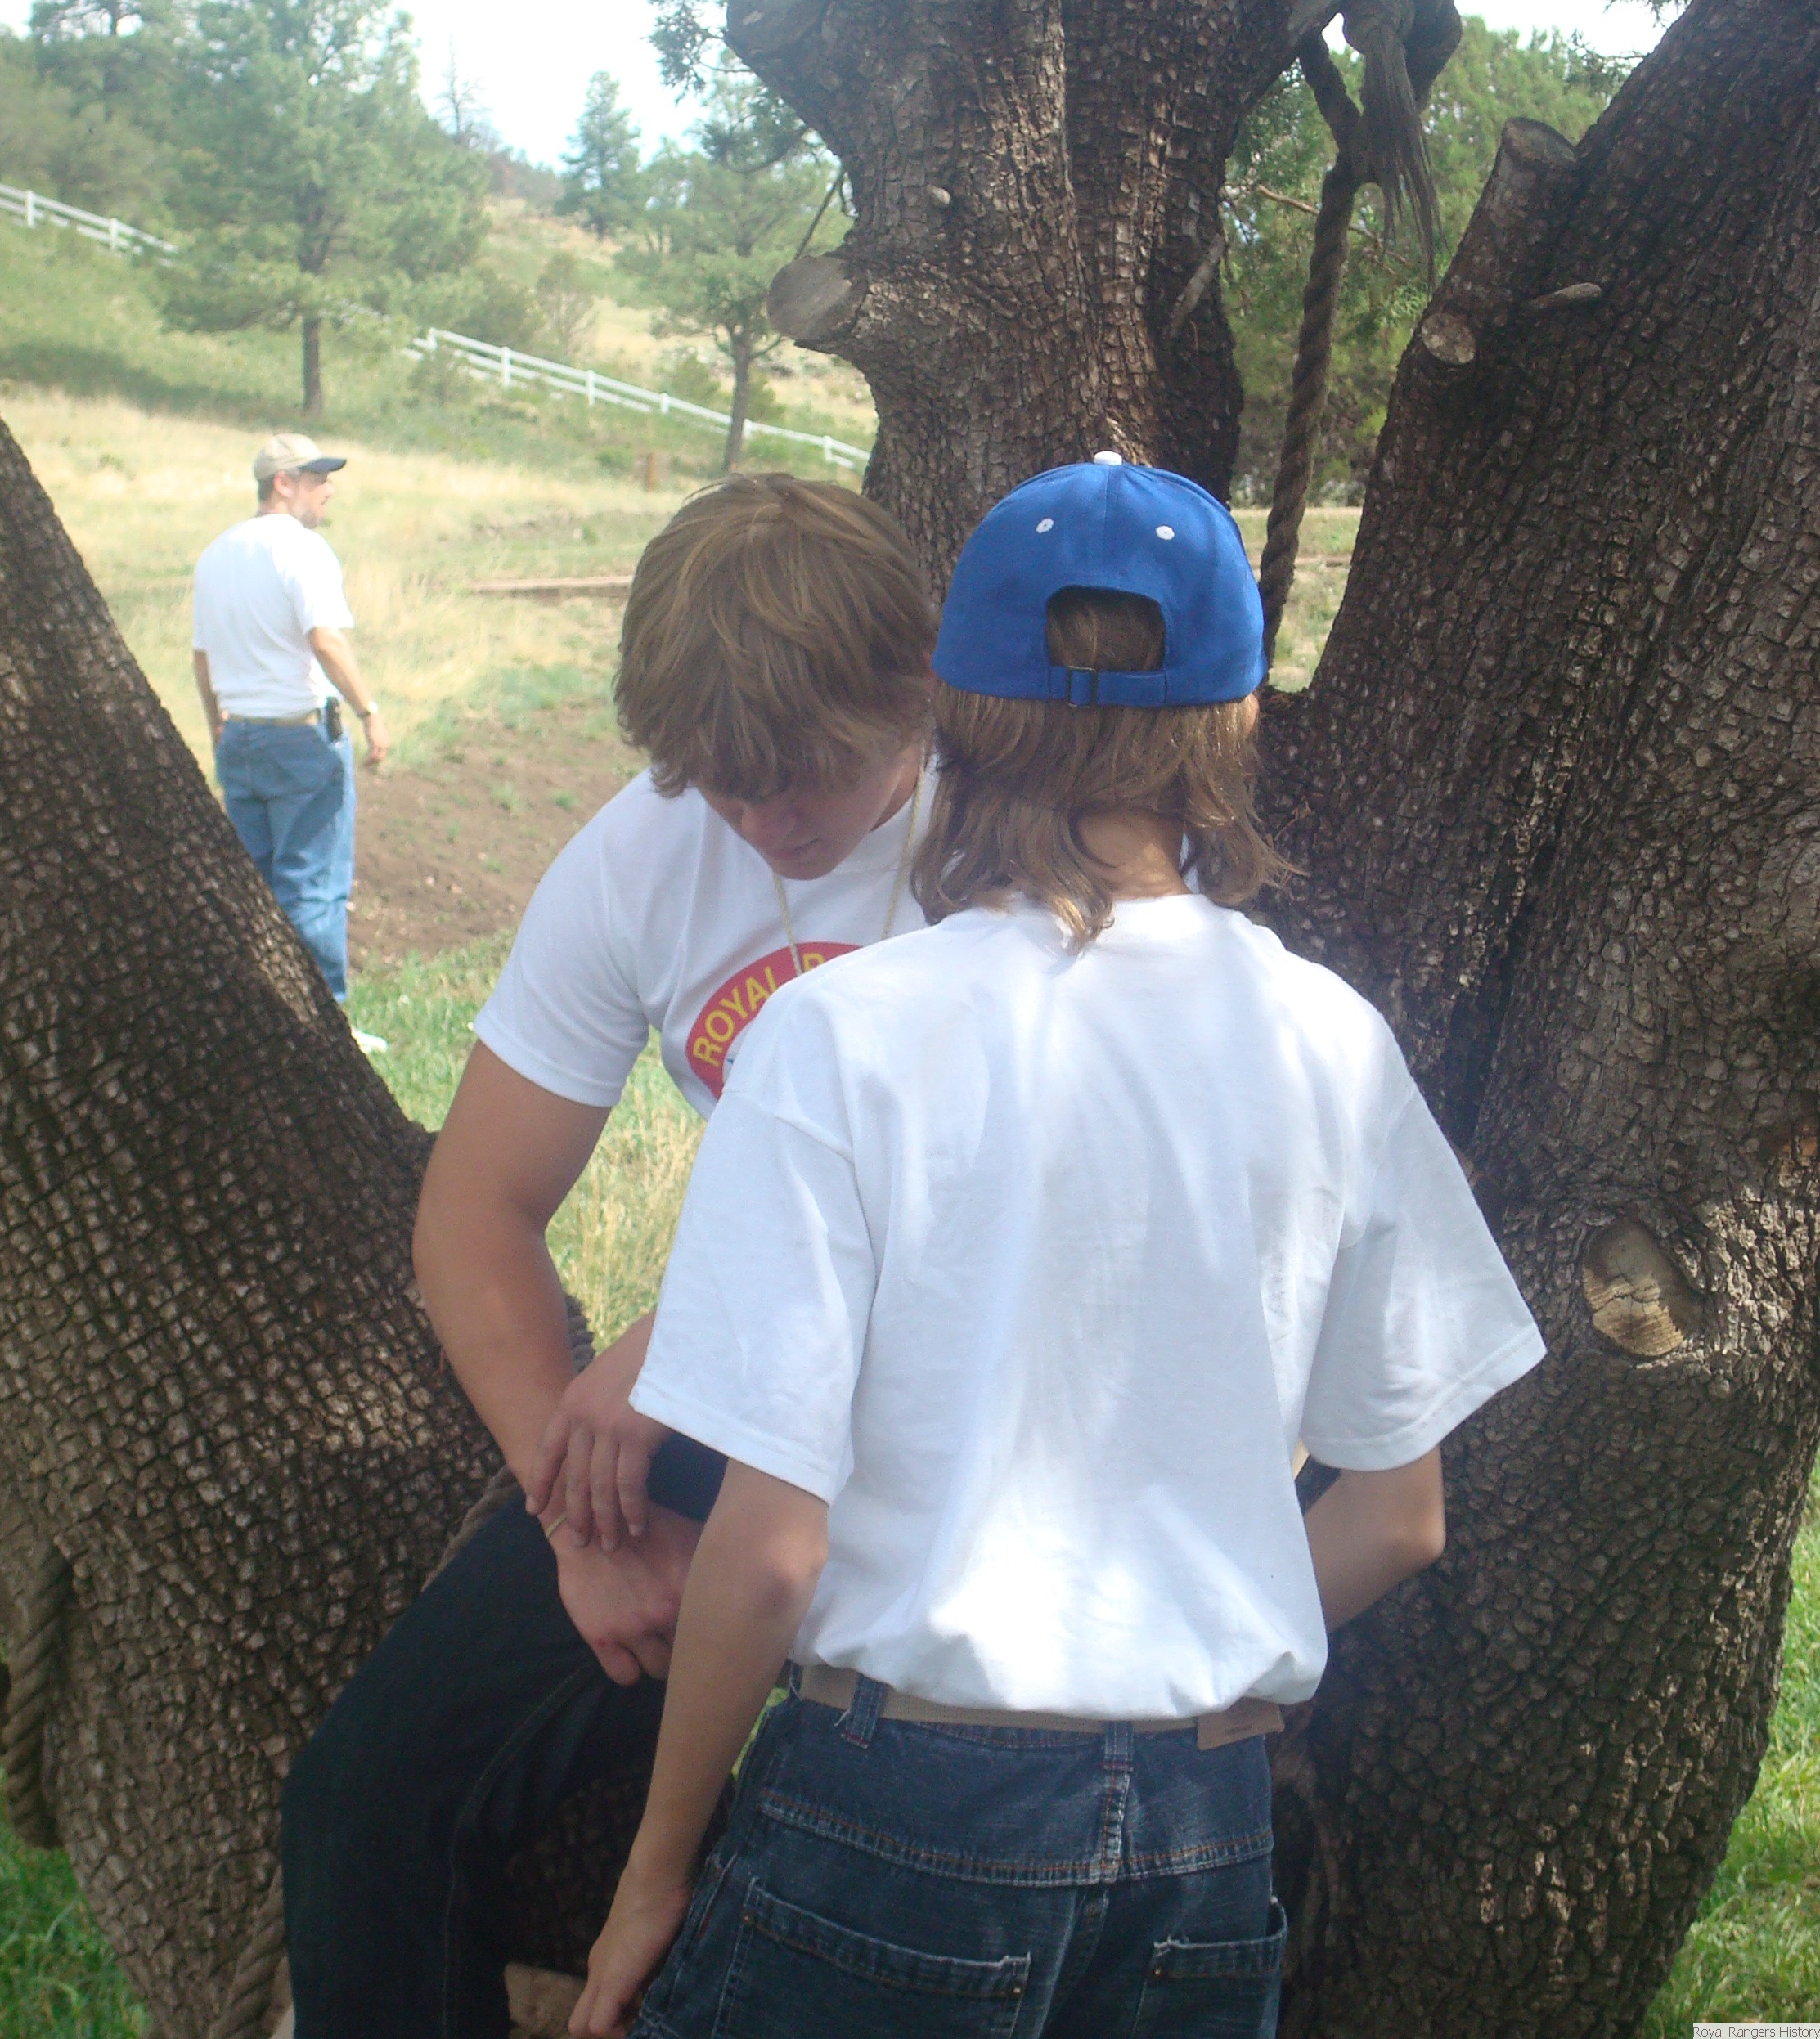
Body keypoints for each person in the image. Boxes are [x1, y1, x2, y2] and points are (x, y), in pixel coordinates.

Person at [572, 454, 1548, 2039]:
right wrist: (1164, 1659)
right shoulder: (1328, 1041)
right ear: (1233, 724)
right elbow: (1398, 1513)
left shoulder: (839, 1040)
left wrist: (653, 1872)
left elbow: (769, 1550)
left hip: (899, 1815)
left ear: (951, 715)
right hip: (1201, 1838)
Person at [280, 473, 939, 2038]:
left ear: (913, 688)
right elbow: (474, 1208)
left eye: (807, 776)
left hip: (981, 1409)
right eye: (722, 787)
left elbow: (1044, 1193)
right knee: (365, 1807)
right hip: (737, 1400)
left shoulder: (1016, 827)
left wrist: (680, 1331)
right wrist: (575, 1512)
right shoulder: (643, 850)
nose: (767, 826)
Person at [191, 433, 389, 1004]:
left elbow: (202, 658)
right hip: (301, 739)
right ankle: (324, 1024)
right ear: (283, 483)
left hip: (240, 737)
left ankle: (259, 1012)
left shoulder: (216, 554)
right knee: (312, 888)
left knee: (253, 889)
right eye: (317, 479)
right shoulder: (302, 549)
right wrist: (369, 711)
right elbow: (325, 640)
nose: (328, 490)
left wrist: (217, 726)